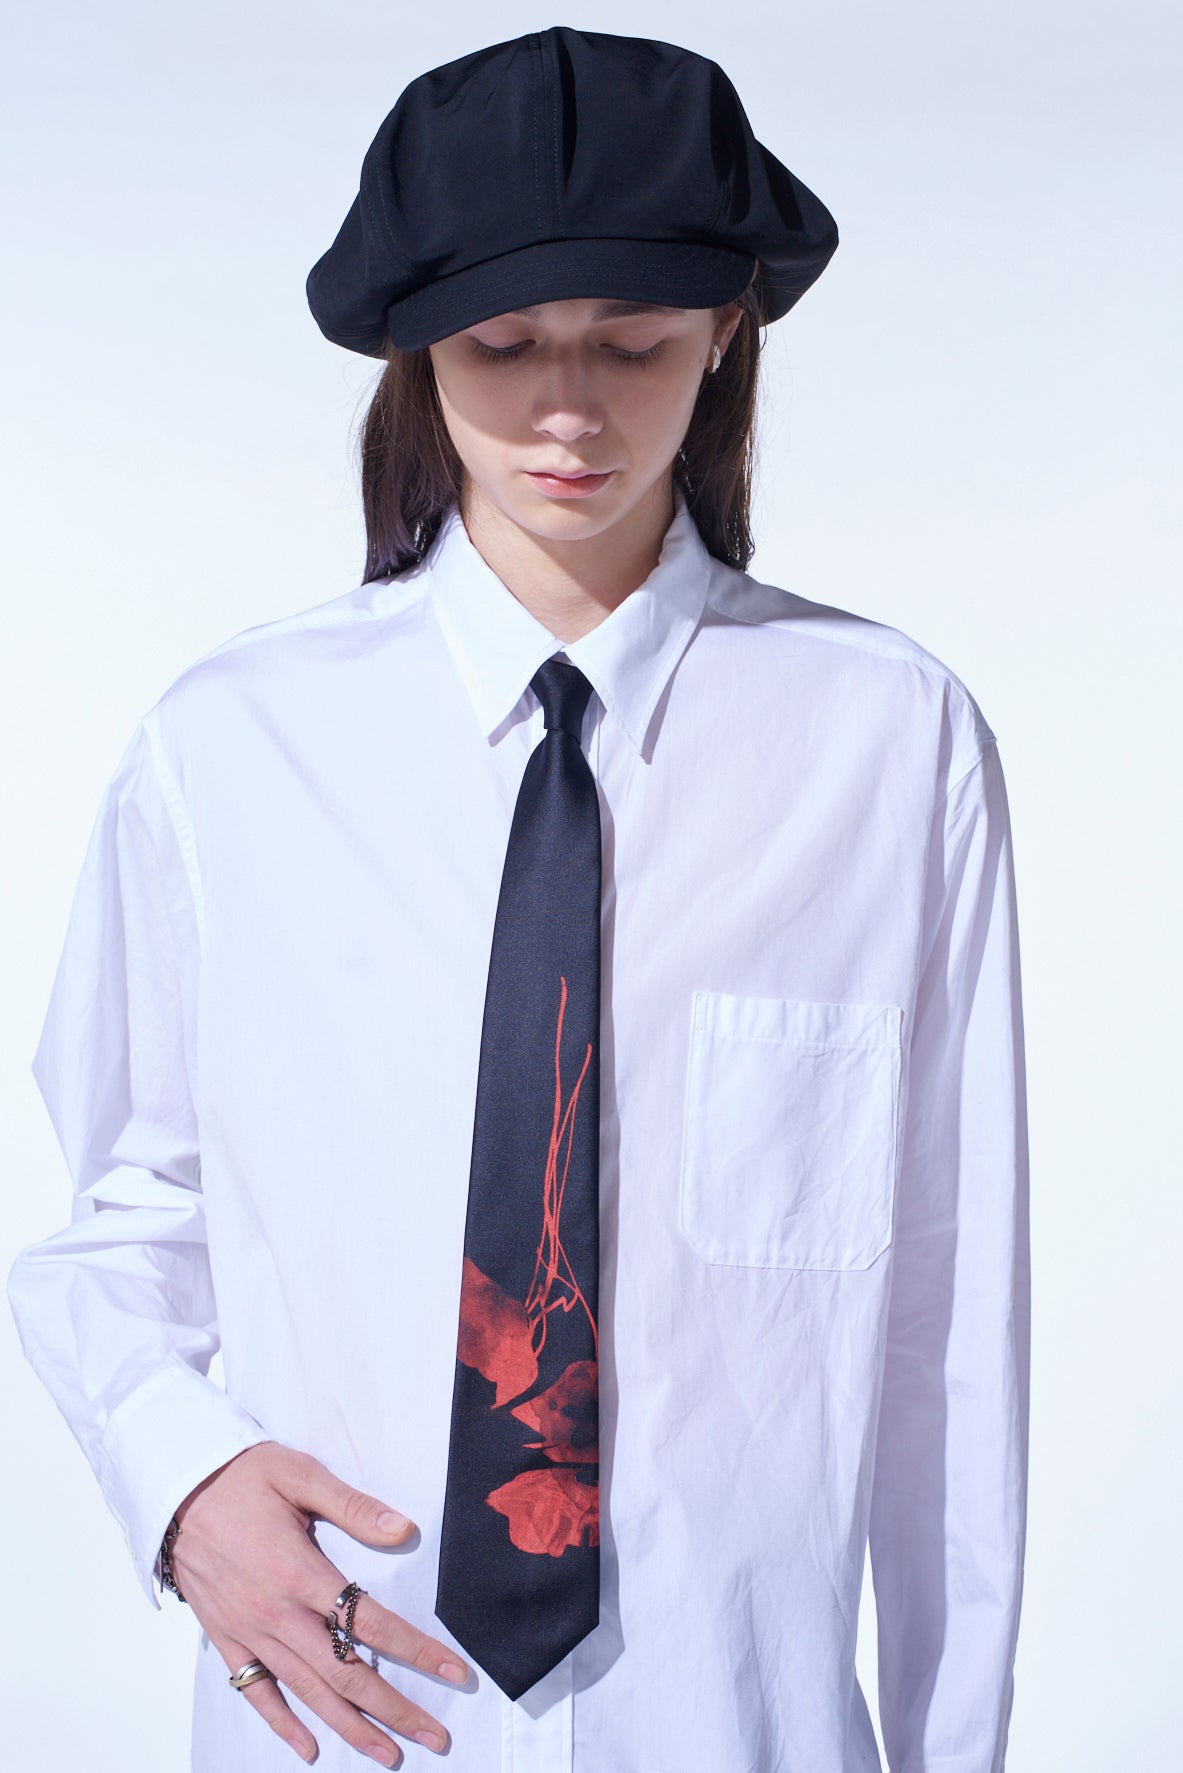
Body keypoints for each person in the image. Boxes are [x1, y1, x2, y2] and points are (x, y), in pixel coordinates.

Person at [8, 24, 1030, 1773]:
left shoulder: (890, 743)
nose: (569, 407)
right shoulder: (229, 747)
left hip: (738, 1731)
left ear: (728, 329)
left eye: (632, 342)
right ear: (417, 346)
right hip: (344, 1725)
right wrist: (178, 1479)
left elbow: (947, 1327)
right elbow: (130, 1214)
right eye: (502, 343)